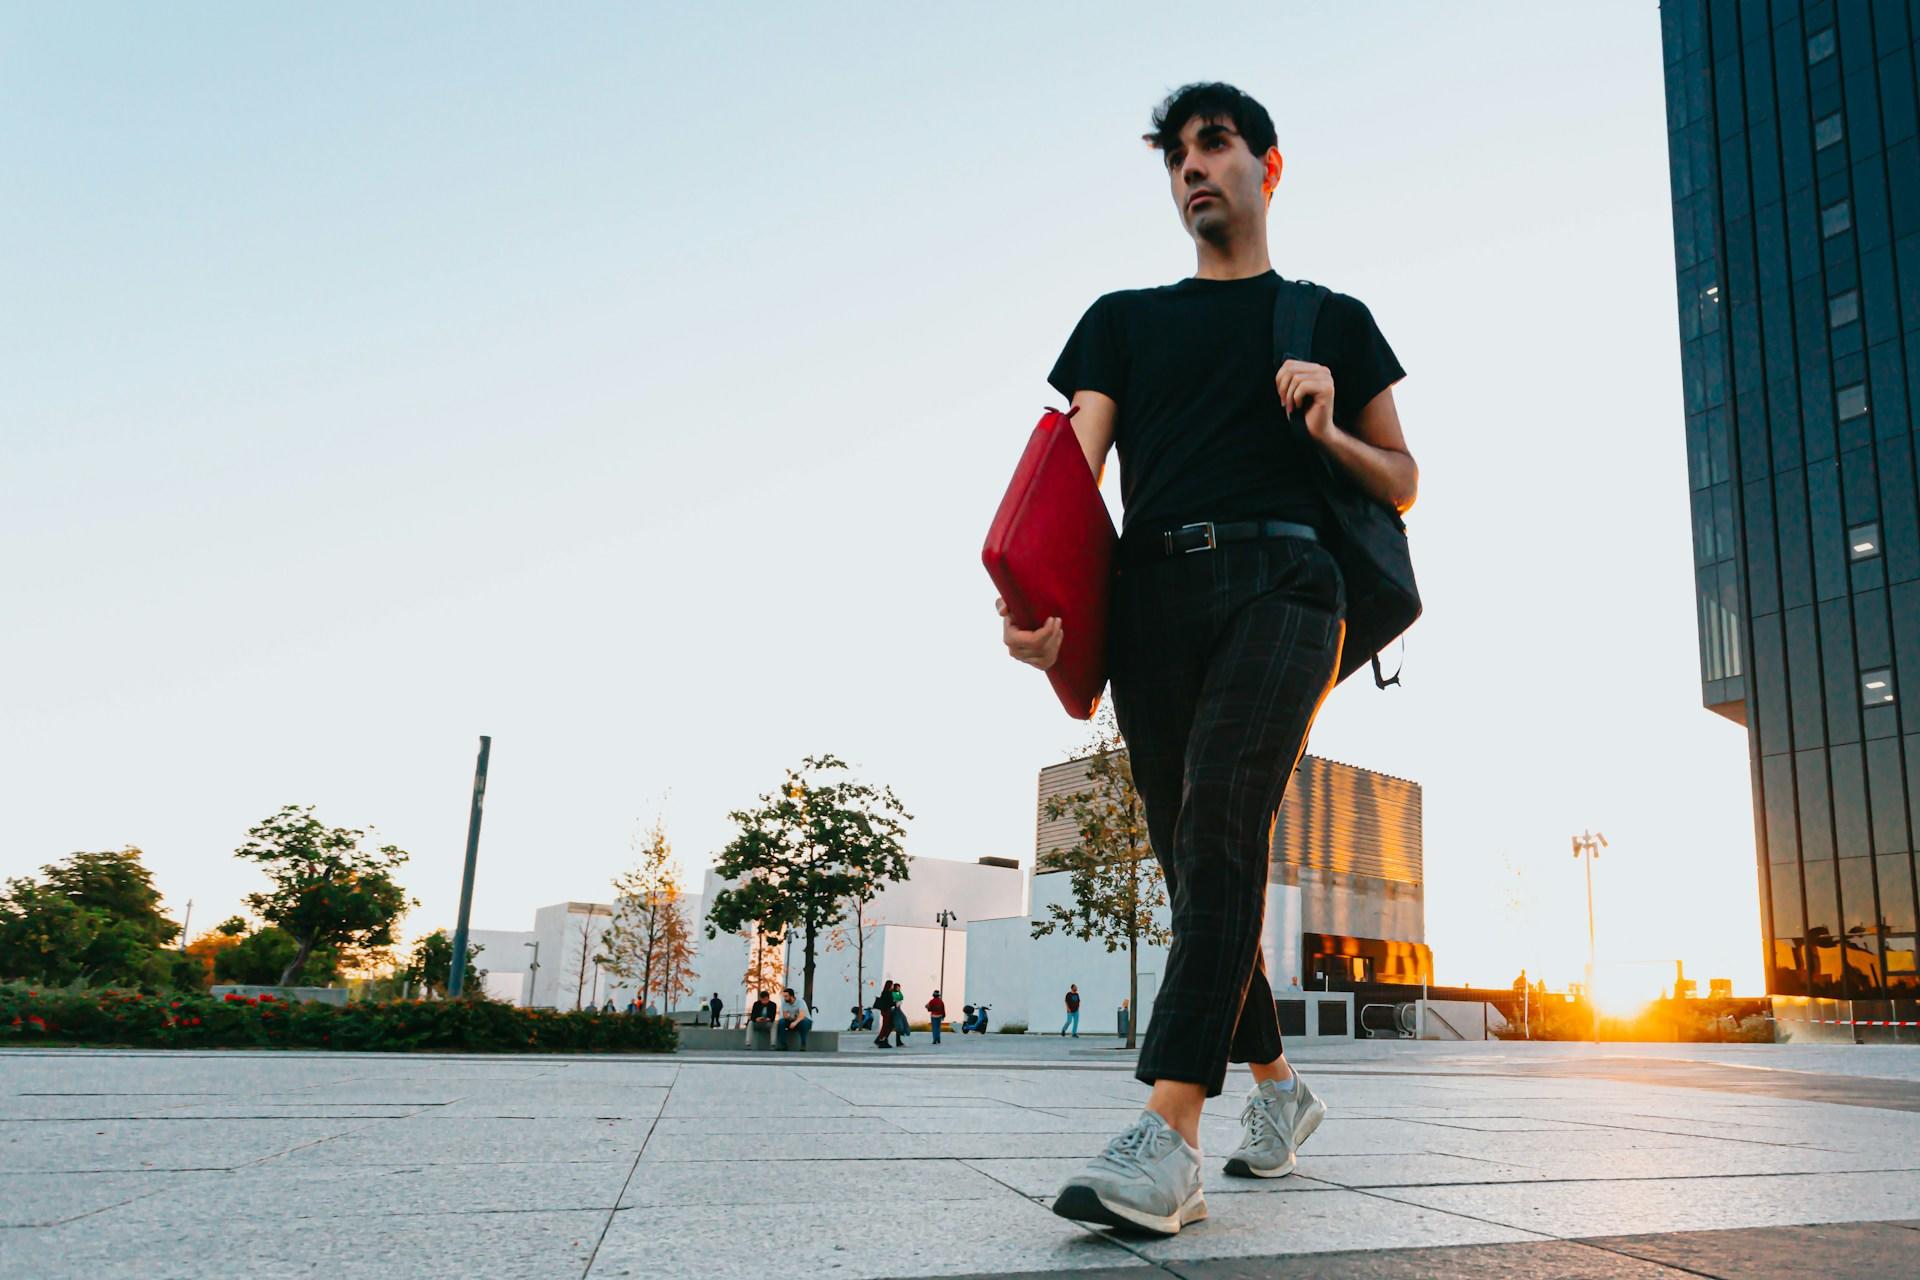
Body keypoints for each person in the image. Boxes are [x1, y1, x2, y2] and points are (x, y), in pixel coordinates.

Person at [999, 83, 1413, 1237]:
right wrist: (1041, 610)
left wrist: (1327, 426)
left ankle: (1166, 1133)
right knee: (1198, 870)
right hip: (1150, 607)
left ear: (1268, 167)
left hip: (1291, 586)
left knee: (1226, 812)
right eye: (1177, 153)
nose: (1194, 166)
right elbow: (1070, 473)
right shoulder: (1122, 320)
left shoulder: (1329, 319)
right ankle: (1281, 1093)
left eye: (1216, 144)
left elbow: (1405, 477)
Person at [775, 986, 813, 1051]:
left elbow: (802, 1016)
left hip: (803, 1020)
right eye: (784, 996)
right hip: (792, 1020)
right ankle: (783, 1045)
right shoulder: (784, 1002)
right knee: (781, 1022)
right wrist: (790, 1018)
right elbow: (785, 1016)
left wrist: (795, 1022)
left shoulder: (800, 1002)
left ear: (791, 996)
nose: (784, 998)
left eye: (786, 996)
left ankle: (803, 1045)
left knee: (804, 1022)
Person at [872, 981, 896, 1048]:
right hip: (886, 1011)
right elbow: (889, 1003)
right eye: (892, 985)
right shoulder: (887, 993)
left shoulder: (887, 992)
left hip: (886, 1011)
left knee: (888, 1026)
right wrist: (895, 1003)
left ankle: (881, 1039)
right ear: (889, 985)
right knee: (886, 1026)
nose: (892, 986)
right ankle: (882, 1040)